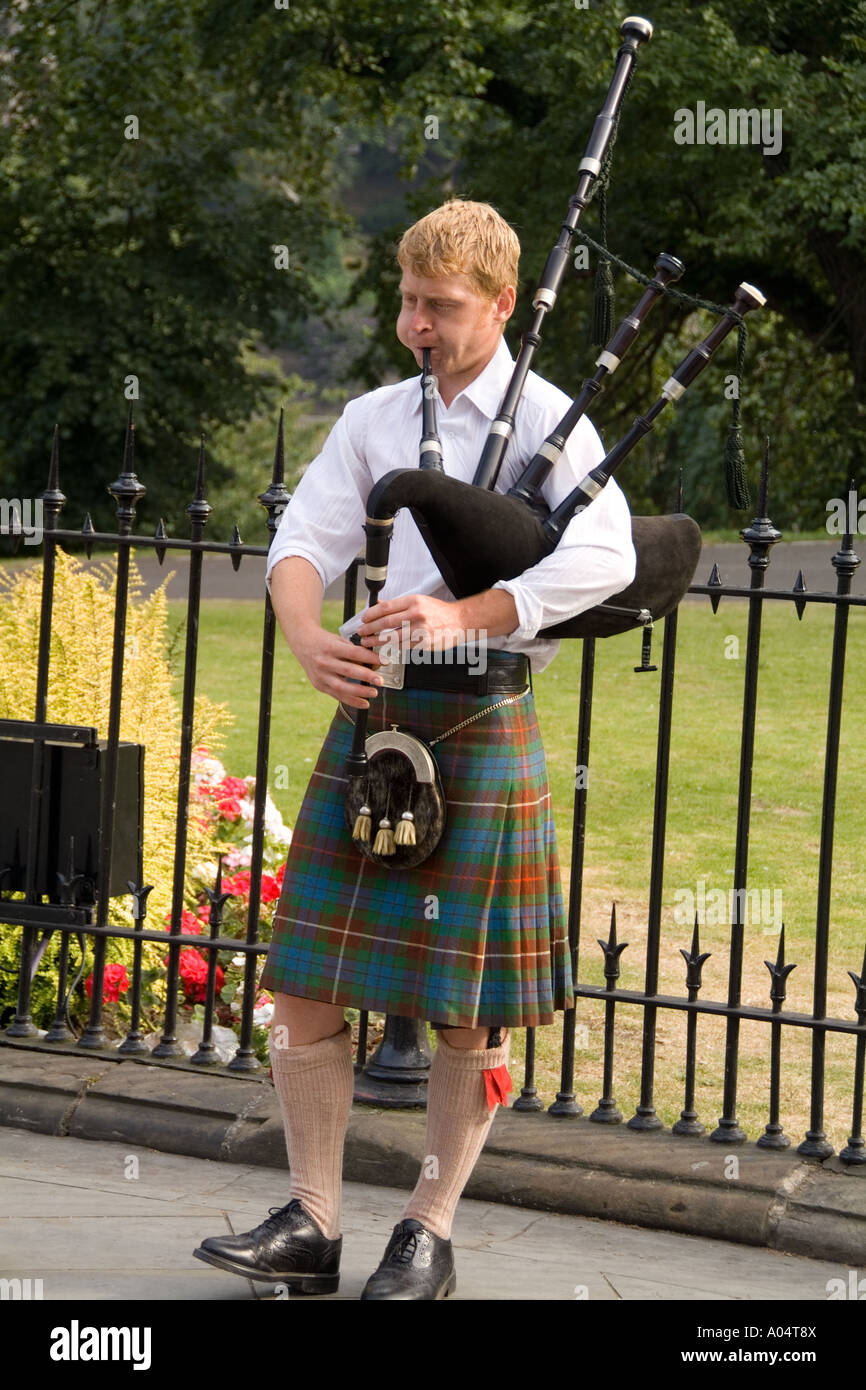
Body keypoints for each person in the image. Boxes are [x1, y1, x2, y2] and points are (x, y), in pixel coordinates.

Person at [194, 199, 635, 1300]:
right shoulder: (376, 416)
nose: (416, 325)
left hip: (479, 710)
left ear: (499, 303)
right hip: (375, 715)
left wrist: (469, 614)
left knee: (463, 1005)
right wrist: (304, 636)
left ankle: (426, 1232)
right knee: (303, 982)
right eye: (406, 302)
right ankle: (311, 1220)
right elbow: (304, 538)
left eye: (439, 307)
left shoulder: (549, 419)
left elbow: (611, 556)